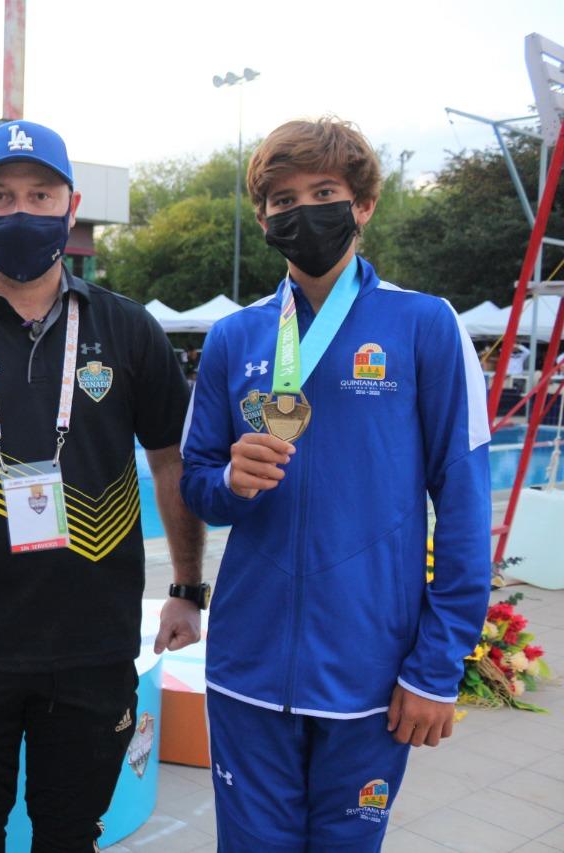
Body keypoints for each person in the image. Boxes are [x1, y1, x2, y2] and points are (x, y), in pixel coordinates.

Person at [0, 120, 207, 852]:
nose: (21, 210)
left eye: (40, 193)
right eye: (0, 195)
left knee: (70, 834)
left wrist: (187, 585)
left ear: (71, 205)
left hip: (93, 643)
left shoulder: (127, 329)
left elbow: (172, 458)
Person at [179, 117, 490, 851]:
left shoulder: (425, 326)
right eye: (282, 199)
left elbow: (467, 507)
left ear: (364, 205)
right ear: (263, 219)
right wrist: (230, 479)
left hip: (370, 671)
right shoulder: (234, 337)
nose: (303, 210)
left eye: (324, 191)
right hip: (247, 667)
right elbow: (196, 483)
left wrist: (438, 667)